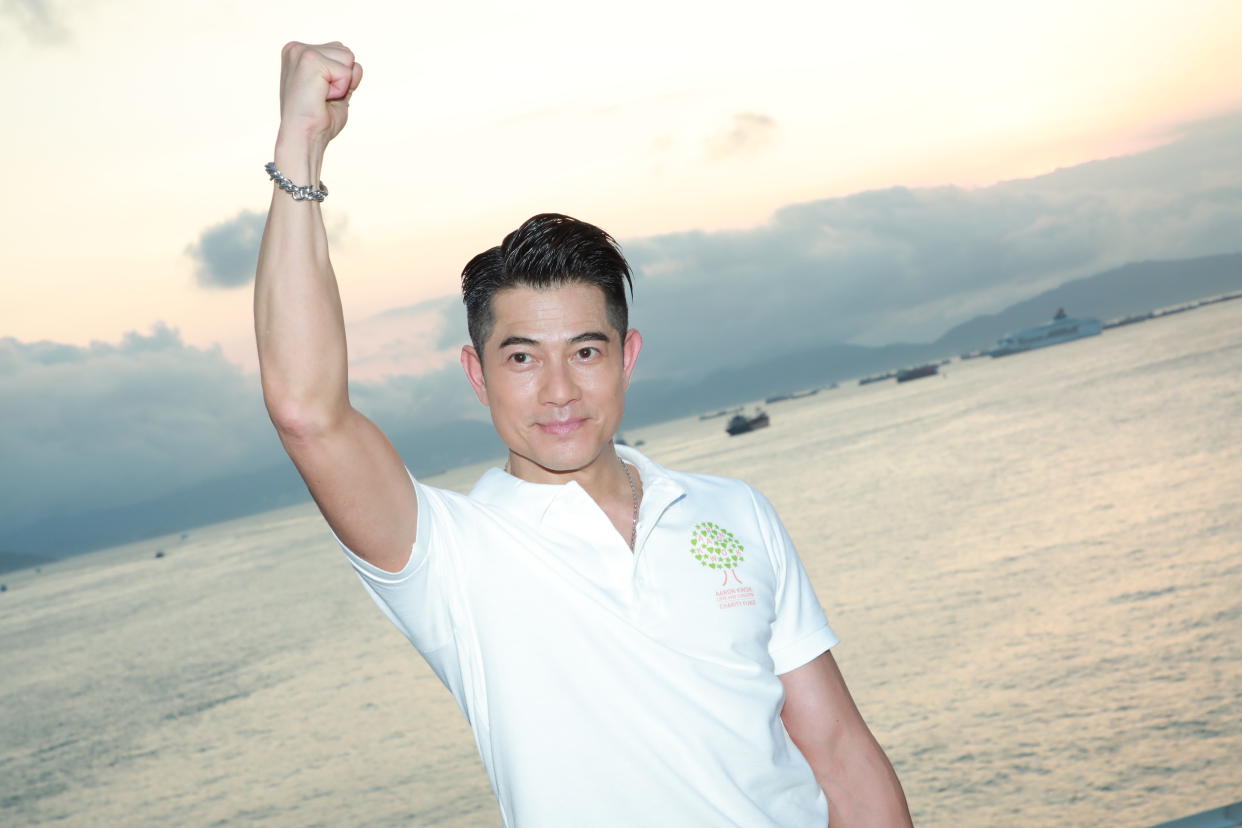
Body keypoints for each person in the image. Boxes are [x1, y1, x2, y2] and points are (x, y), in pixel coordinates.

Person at [255, 40, 913, 827]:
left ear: (627, 357)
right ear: (478, 373)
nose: (559, 391)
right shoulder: (448, 554)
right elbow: (307, 411)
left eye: (587, 352)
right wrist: (301, 144)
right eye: (523, 356)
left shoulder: (733, 513)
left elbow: (840, 753)